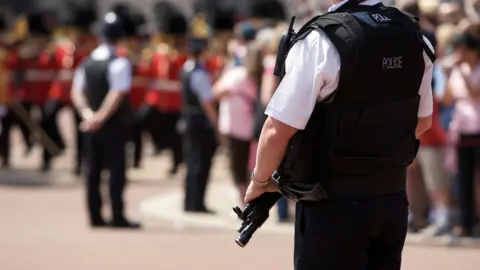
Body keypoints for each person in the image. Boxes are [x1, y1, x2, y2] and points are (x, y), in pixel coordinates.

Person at [244, 0, 434, 269]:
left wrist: (260, 180)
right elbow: (423, 121)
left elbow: (278, 128)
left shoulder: (321, 39)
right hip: (390, 198)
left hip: (332, 201)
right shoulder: (413, 34)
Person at [71, 7, 140, 229]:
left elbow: (77, 91)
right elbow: (116, 94)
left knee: (92, 173)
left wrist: (87, 115)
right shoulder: (120, 62)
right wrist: (100, 117)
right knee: (116, 172)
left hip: (91, 125)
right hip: (114, 126)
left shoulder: (88, 61)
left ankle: (95, 216)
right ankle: (117, 215)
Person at [42, 2, 96, 174]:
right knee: (47, 117)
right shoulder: (61, 46)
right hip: (60, 91)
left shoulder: (90, 46)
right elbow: (48, 64)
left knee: (79, 128)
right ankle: (51, 153)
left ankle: (80, 163)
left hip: (78, 91)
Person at [213, 42, 260, 205]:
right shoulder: (256, 75)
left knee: (237, 167)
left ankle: (245, 201)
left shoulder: (237, 74)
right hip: (253, 127)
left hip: (236, 128)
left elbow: (217, 91)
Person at [142, 2, 186, 174]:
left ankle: (176, 162)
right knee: (145, 120)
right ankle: (159, 145)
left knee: (176, 136)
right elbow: (149, 73)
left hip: (176, 101)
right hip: (159, 100)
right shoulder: (157, 53)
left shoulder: (182, 55)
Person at [181, 15, 219, 213]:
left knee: (192, 162)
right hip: (200, 121)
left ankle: (190, 201)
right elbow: (207, 102)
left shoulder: (186, 69)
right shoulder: (199, 73)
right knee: (201, 163)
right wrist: (216, 123)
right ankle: (197, 202)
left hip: (188, 119)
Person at [445, 33, 480, 237]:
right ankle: (466, 222)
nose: (460, 55)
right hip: (462, 132)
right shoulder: (457, 71)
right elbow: (447, 99)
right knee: (463, 180)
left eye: (463, 50)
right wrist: (449, 74)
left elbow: (475, 92)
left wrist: (460, 71)